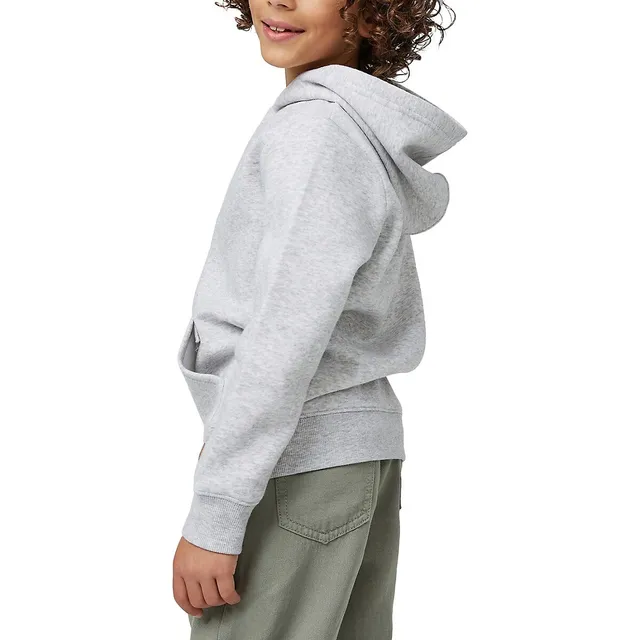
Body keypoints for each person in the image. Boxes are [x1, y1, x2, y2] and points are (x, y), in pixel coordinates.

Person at [172, 0, 467, 637]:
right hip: (345, 458)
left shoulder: (315, 133)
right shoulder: (347, 128)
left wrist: (218, 509)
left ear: (376, 14)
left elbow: (285, 334)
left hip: (300, 464)